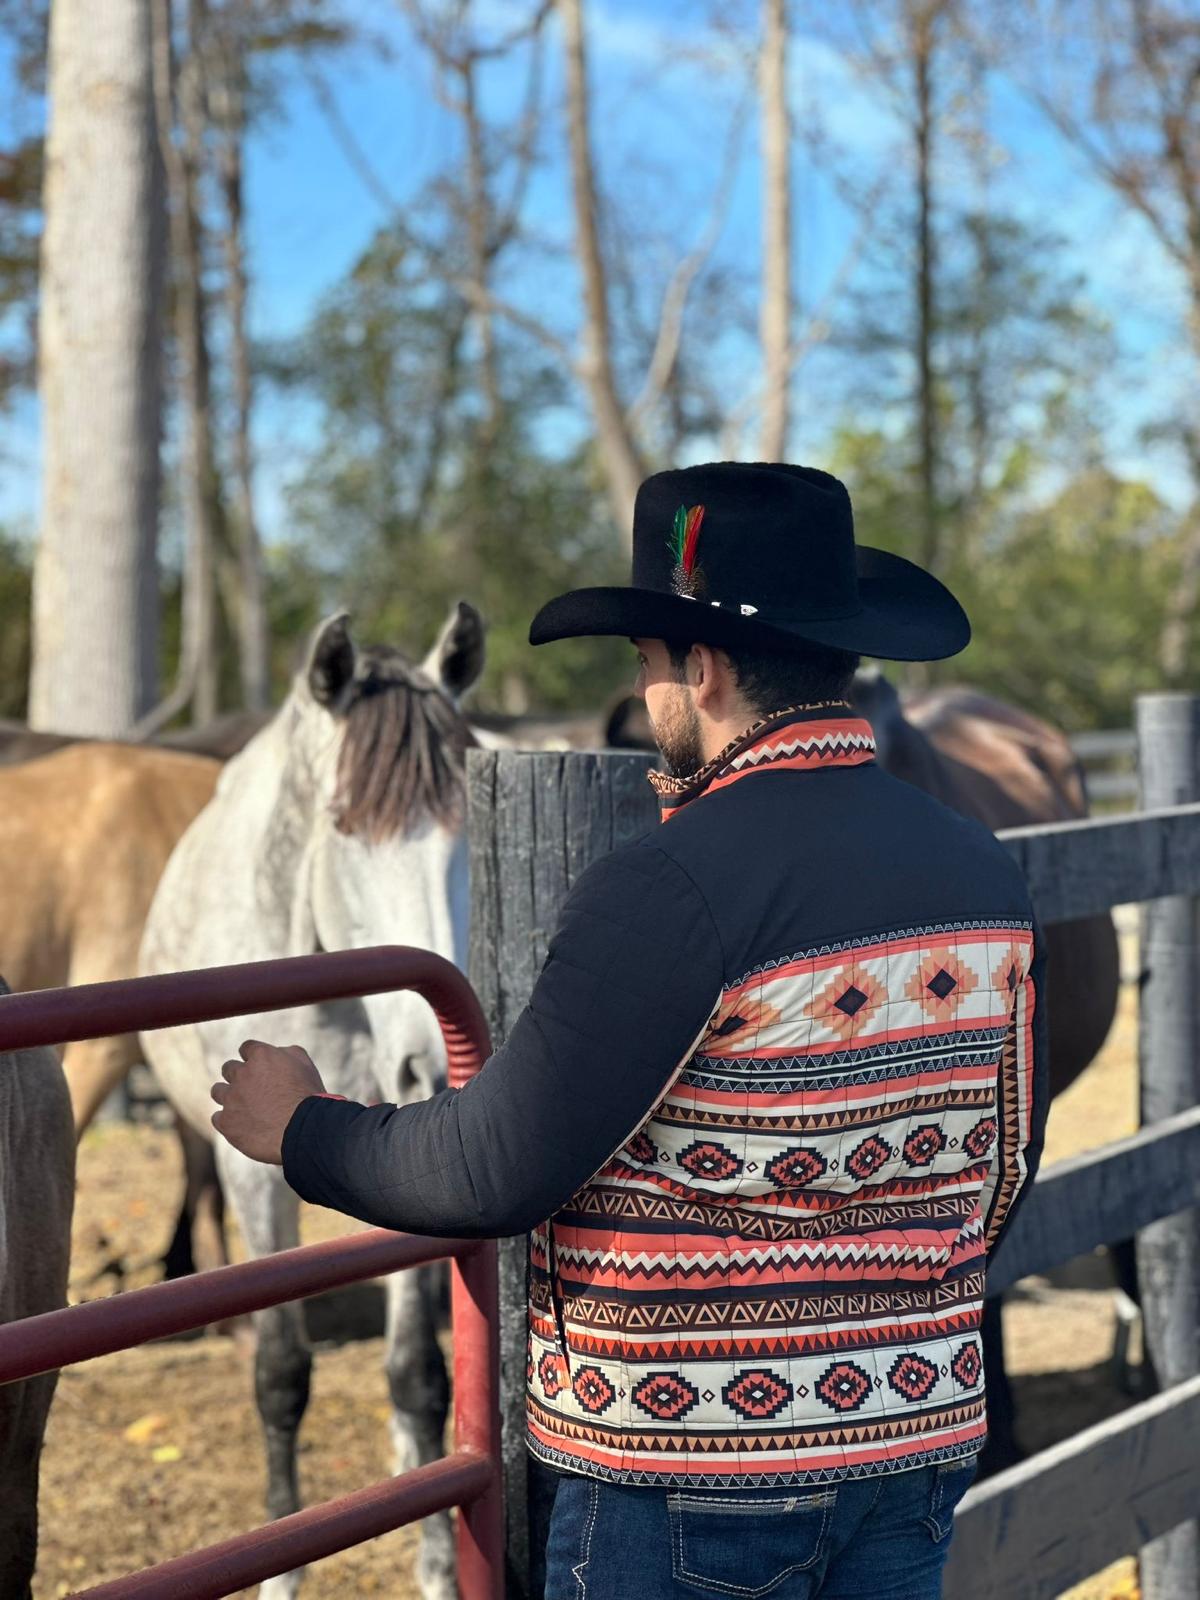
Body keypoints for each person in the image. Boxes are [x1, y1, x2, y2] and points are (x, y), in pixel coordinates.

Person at [211, 462, 1048, 1600]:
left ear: (700, 671)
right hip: (910, 1448)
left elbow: (494, 1167)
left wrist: (302, 1128)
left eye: (649, 664)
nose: (647, 692)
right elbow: (1004, 1162)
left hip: (692, 1475)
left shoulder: (670, 886)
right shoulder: (980, 867)